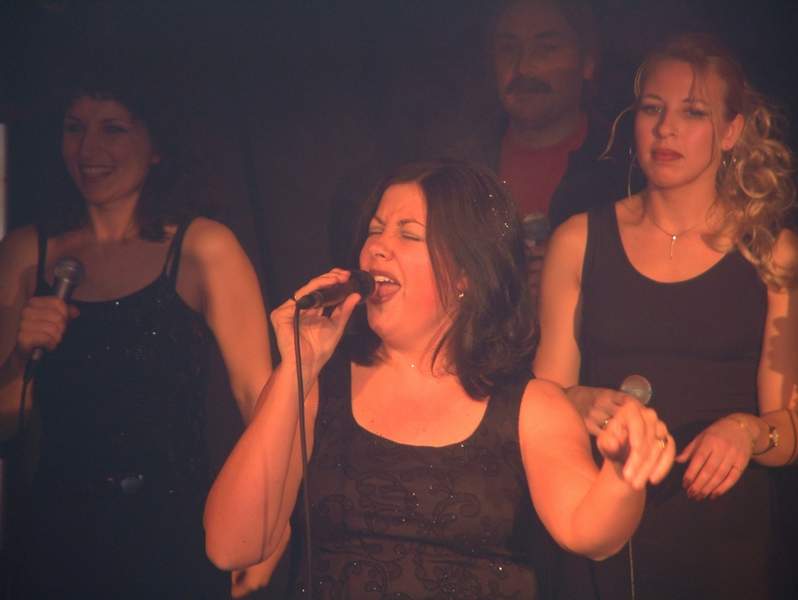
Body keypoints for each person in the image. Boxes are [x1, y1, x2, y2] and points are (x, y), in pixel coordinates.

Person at [204, 159, 676, 599]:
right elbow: (229, 547)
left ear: (467, 273)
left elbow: (589, 534)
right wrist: (297, 367)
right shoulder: (317, 386)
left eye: (409, 234)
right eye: (375, 230)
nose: (377, 247)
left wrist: (622, 476)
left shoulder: (531, 407)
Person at [534, 33, 798, 599]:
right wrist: (577, 401)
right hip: (602, 529)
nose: (666, 129)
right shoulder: (579, 240)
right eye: (652, 109)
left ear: (731, 130)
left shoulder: (771, 253)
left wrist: (748, 431)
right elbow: (539, 401)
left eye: (693, 112)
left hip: (722, 546)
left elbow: (789, 428)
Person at [0, 62, 273, 598]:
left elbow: (259, 401)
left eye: (113, 128)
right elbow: (7, 426)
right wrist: (17, 359)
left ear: (157, 145)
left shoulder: (203, 248)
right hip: (55, 537)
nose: (88, 148)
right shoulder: (27, 252)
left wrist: (270, 524)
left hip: (173, 535)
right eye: (74, 127)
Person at [448, 0, 627, 300]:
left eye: (546, 49)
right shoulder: (460, 169)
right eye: (508, 49)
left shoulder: (624, 169)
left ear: (587, 63)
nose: (523, 67)